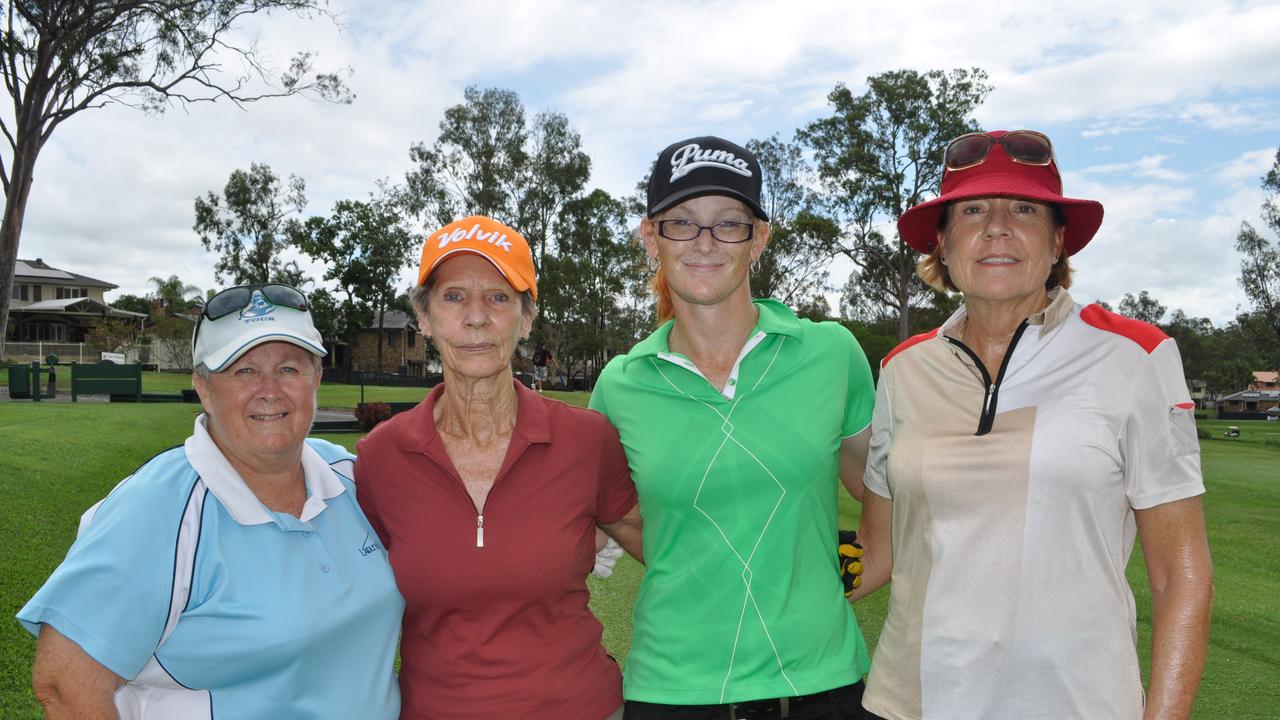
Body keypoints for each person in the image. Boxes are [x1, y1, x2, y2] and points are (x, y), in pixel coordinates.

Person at [853, 130, 1213, 719]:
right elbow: (875, 548)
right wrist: (755, 569)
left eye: (1024, 209)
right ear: (942, 243)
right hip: (908, 703)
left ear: (1058, 241)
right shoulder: (902, 370)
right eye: (972, 211)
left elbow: (1181, 576)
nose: (997, 228)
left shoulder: (1134, 357)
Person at [590, 136, 878, 719]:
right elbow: (605, 515)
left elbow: (882, 479)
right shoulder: (619, 386)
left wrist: (877, 560)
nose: (704, 242)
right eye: (681, 223)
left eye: (728, 223)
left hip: (821, 685)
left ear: (758, 240)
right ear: (652, 238)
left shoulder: (831, 353)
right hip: (672, 692)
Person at [17, 284, 403, 719]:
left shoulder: (351, 478)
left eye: (290, 369)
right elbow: (65, 684)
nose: (270, 390)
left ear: (316, 378)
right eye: (243, 371)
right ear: (203, 386)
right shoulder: (157, 507)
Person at [354, 215, 644, 720]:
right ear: (423, 317)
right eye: (452, 297)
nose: (476, 317)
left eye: (498, 297)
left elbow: (670, 553)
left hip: (581, 707)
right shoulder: (380, 457)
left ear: (526, 318)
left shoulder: (587, 439)